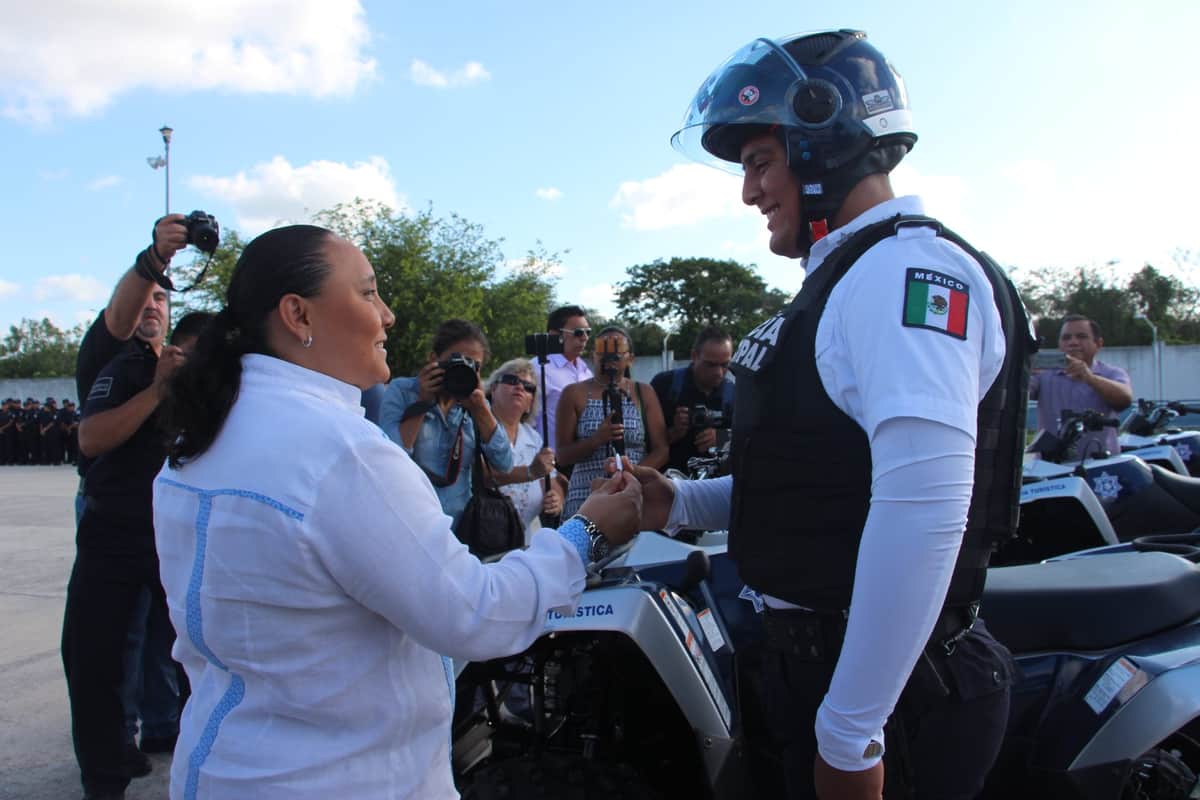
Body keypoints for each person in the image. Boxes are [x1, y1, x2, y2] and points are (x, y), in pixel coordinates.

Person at [639, 29, 1031, 799]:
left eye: (758, 162)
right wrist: (679, 500)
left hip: (889, 696)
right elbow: (824, 477)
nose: (749, 192)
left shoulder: (901, 272)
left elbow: (924, 508)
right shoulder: (852, 274)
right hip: (834, 672)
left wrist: (852, 734)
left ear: (823, 138)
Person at [152, 224, 642, 799]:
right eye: (368, 293)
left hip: (223, 769)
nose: (388, 316)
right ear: (297, 315)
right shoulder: (340, 452)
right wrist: (587, 536)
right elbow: (473, 613)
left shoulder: (204, 439)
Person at [62, 284, 195, 799]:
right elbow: (92, 439)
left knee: (196, 649)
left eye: (162, 298)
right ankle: (105, 777)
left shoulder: (188, 367)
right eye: (145, 296)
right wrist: (158, 391)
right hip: (115, 531)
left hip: (176, 532)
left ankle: (184, 740)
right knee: (98, 657)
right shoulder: (112, 361)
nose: (152, 305)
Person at [377, 319, 514, 528]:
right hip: (409, 521)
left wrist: (481, 410)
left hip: (460, 526)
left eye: (474, 366)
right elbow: (392, 457)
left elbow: (505, 463)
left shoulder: (476, 404)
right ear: (434, 359)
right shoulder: (403, 392)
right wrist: (422, 402)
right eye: (457, 360)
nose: (465, 369)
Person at [558, 326, 668, 518]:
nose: (609, 360)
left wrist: (631, 473)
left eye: (617, 354)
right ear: (593, 356)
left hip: (632, 490)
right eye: (603, 353)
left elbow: (661, 450)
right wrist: (596, 440)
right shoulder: (573, 393)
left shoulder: (644, 392)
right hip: (585, 497)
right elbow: (562, 456)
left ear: (630, 359)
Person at [485, 358, 565, 543]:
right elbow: (480, 476)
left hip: (526, 540)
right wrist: (529, 472)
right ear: (493, 389)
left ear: (530, 404)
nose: (520, 387)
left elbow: (550, 481)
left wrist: (557, 497)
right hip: (483, 539)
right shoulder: (477, 428)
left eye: (528, 387)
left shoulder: (534, 438)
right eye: (511, 380)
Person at [1030, 314, 1132, 459]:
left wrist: (1089, 377)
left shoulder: (1112, 373)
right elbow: (1019, 394)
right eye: (1066, 338)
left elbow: (1124, 399)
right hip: (1051, 466)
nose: (1073, 342)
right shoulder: (1043, 375)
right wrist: (1021, 372)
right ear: (1059, 344)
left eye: (1081, 336)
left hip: (1100, 465)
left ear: (1098, 343)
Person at [650, 325, 735, 473]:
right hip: (671, 482)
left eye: (725, 365)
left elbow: (750, 440)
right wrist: (674, 432)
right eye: (711, 365)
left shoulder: (734, 393)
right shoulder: (665, 385)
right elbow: (641, 442)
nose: (719, 372)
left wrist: (722, 438)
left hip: (716, 484)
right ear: (694, 356)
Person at [529, 304, 594, 452]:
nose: (584, 338)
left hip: (583, 461)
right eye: (578, 332)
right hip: (550, 465)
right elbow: (525, 423)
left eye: (587, 332)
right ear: (554, 335)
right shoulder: (537, 369)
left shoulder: (586, 371)